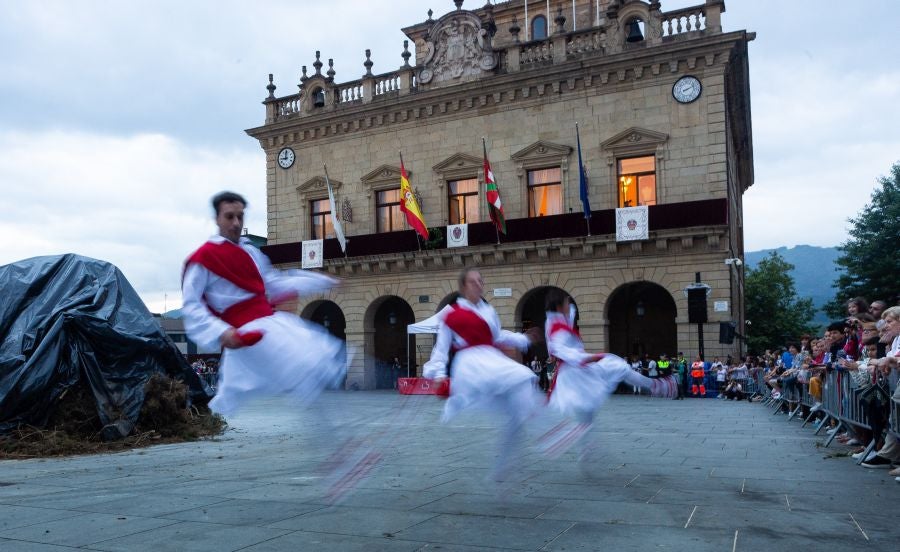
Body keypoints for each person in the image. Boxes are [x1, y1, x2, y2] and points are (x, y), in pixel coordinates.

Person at [182, 191, 347, 417]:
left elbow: (275, 283)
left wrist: (322, 281)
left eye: (240, 216)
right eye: (229, 216)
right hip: (244, 333)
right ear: (217, 219)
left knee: (312, 366)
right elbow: (192, 306)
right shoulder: (203, 258)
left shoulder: (251, 252)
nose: (236, 223)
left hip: (270, 326)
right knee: (307, 367)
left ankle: (333, 431)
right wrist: (221, 332)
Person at [423, 267, 542, 481]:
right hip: (470, 364)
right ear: (463, 287)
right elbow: (440, 349)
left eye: (480, 281)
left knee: (520, 395)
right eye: (473, 281)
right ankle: (543, 426)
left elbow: (498, 336)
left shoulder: (489, 310)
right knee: (521, 377)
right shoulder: (451, 315)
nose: (478, 285)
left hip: (491, 359)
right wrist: (438, 373)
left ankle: (503, 466)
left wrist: (523, 339)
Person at [538, 289, 677, 459]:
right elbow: (560, 351)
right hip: (576, 372)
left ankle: (585, 451)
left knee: (588, 413)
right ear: (559, 306)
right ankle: (657, 386)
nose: (570, 305)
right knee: (618, 366)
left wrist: (568, 307)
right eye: (567, 303)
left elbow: (569, 315)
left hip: (577, 371)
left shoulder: (557, 320)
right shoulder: (557, 328)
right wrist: (591, 357)